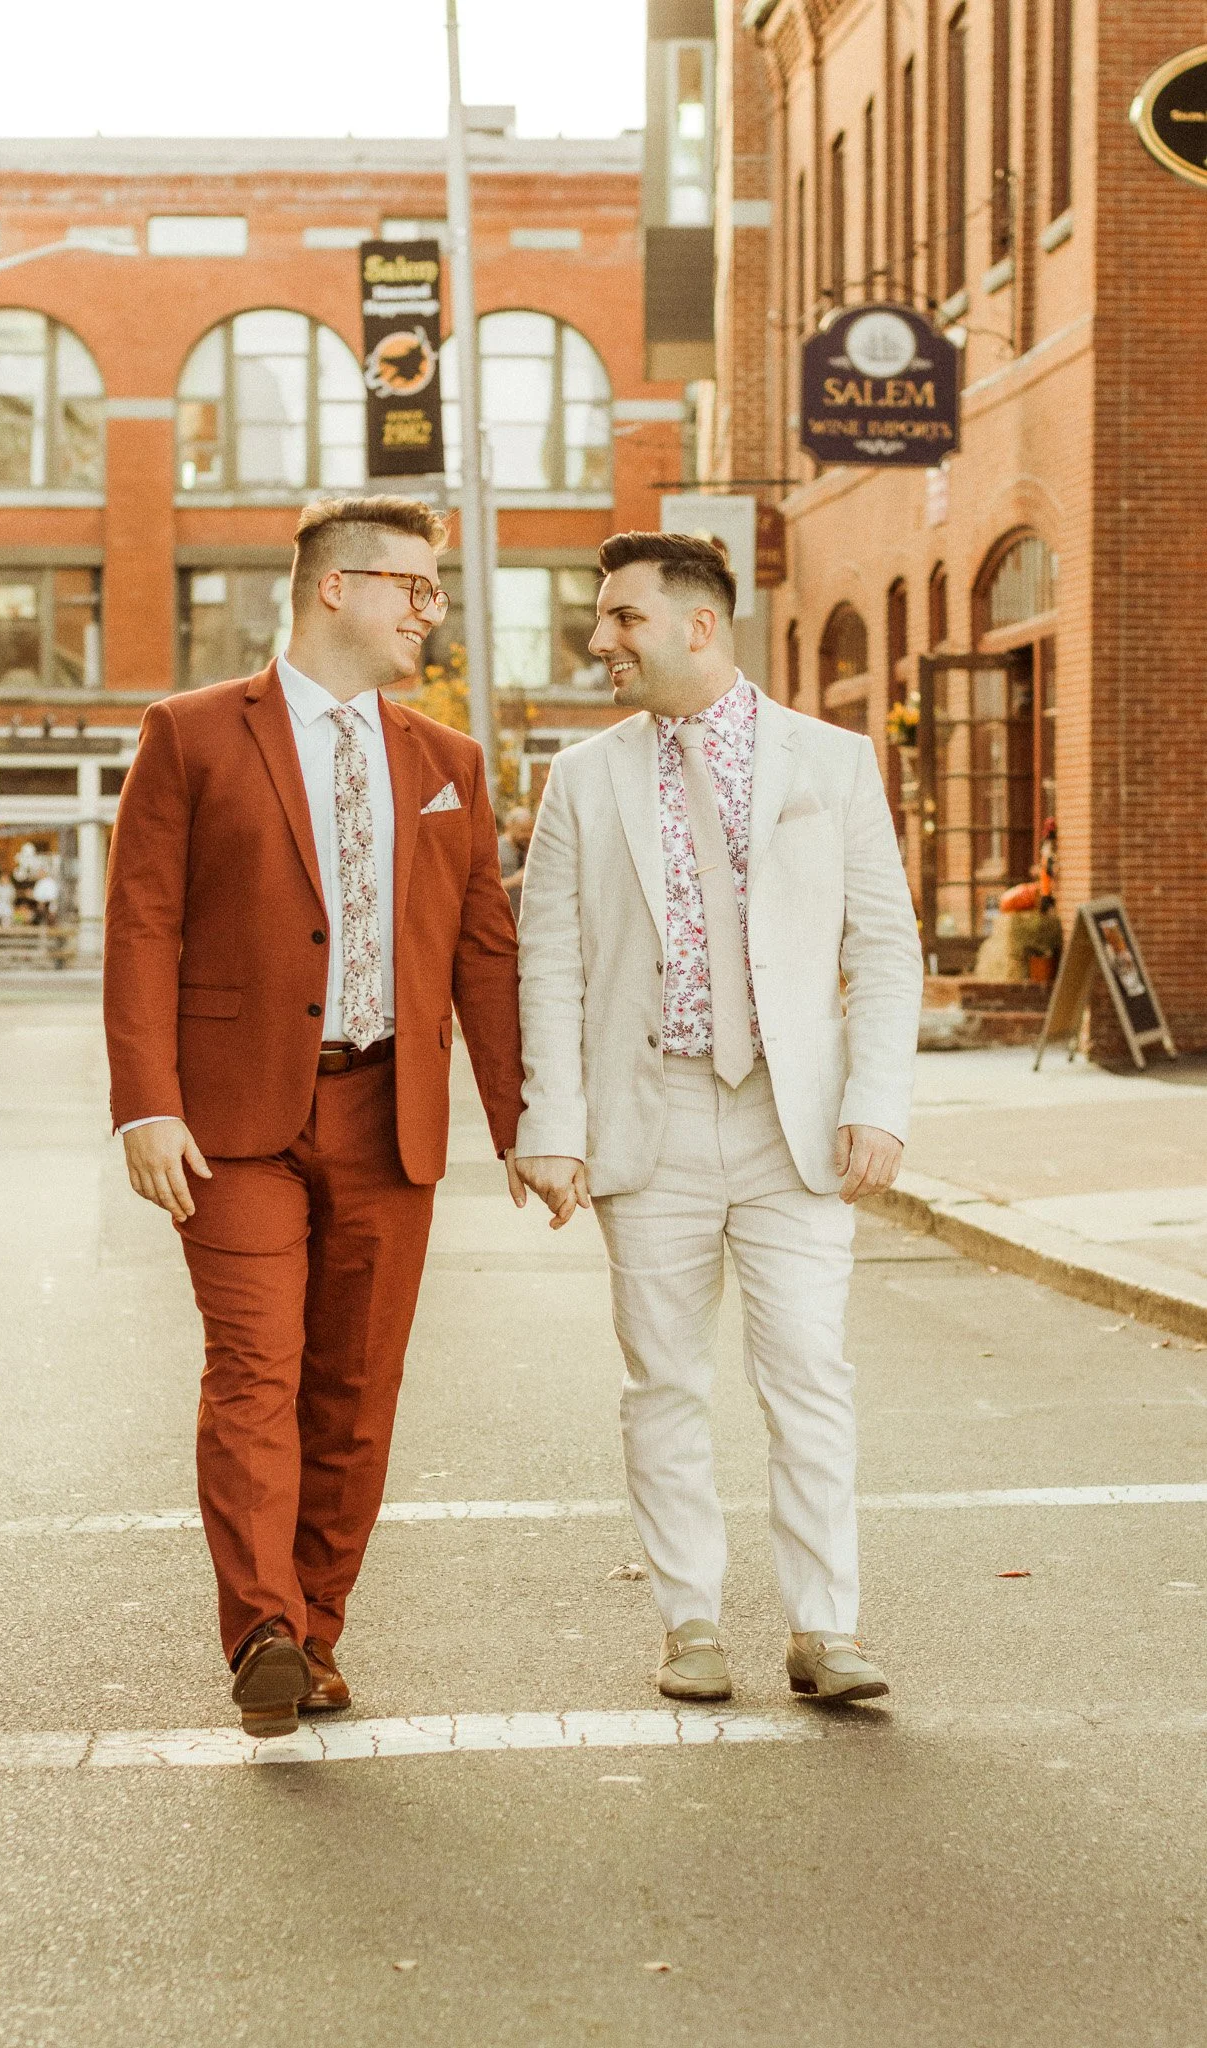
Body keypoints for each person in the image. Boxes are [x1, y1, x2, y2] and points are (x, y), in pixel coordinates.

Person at [103, 496, 526, 1738]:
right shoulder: (187, 734)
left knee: (355, 1386)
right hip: (232, 1120)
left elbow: (485, 956)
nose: (430, 612)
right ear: (336, 586)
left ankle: (317, 1632)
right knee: (256, 1367)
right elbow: (142, 924)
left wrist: (527, 1123)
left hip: (389, 1111)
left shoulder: (451, 762)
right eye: (416, 588)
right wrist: (144, 1103)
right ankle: (263, 1628)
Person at [513, 532, 922, 1706]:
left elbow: (885, 948)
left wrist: (877, 1099)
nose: (602, 642)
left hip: (792, 1122)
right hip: (653, 1114)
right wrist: (555, 1119)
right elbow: (549, 964)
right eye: (602, 619)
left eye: (623, 619)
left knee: (808, 1373)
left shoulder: (832, 764)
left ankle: (825, 1627)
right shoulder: (584, 779)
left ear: (700, 625)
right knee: (665, 1382)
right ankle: (689, 1619)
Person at [497, 805, 534, 921]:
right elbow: (486, 887)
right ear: (509, 827)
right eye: (523, 830)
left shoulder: (526, 850)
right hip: (502, 919)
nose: (527, 835)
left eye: (530, 831)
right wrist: (514, 881)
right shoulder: (497, 850)